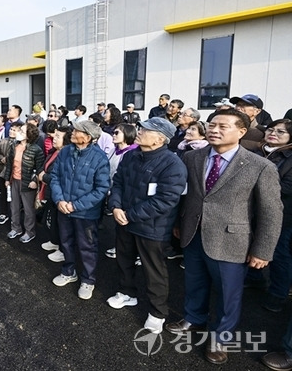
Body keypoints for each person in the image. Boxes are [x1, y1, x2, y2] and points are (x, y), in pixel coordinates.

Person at [166, 109, 282, 365]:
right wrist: (178, 223)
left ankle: (220, 337)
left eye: (222, 126)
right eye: (211, 124)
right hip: (193, 233)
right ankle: (194, 318)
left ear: (242, 132)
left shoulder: (260, 166)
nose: (214, 130)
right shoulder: (192, 157)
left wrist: (263, 250)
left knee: (228, 294)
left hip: (232, 241)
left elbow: (271, 212)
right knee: (195, 282)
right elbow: (185, 195)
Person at [107, 117, 187, 335]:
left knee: (154, 271)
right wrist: (115, 206)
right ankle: (127, 293)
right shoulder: (132, 155)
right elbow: (119, 183)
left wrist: (129, 214)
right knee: (124, 260)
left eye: (146, 130)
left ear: (160, 139)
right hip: (124, 220)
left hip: (152, 227)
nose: (139, 132)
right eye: (141, 128)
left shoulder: (173, 164)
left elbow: (166, 200)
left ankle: (157, 313)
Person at [49, 121, 110, 300]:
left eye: (77, 131)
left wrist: (75, 205)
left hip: (85, 212)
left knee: (87, 247)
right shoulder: (66, 151)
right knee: (66, 242)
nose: (73, 133)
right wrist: (59, 199)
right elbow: (55, 177)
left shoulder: (99, 158)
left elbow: (101, 189)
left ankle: (88, 280)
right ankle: (68, 271)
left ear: (88, 137)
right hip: (64, 208)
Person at [248, 119, 292, 312]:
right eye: (271, 129)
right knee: (253, 245)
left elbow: (287, 188)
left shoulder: (289, 158)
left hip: (282, 214)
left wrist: (255, 183)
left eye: (281, 132)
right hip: (253, 210)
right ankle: (255, 278)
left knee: (279, 253)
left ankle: (278, 293)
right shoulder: (257, 152)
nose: (273, 133)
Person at [5, 123, 44, 243]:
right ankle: (15, 228)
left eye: (22, 131)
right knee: (14, 206)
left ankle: (29, 232)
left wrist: (34, 181)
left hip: (27, 182)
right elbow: (9, 165)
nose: (18, 133)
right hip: (14, 180)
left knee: (28, 210)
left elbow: (40, 168)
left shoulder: (36, 150)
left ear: (29, 135)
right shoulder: (14, 146)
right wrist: (7, 178)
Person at [104, 124, 138, 260]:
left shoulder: (133, 153)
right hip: (114, 190)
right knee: (119, 223)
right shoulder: (114, 150)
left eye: (117, 132)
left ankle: (135, 253)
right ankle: (121, 247)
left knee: (128, 223)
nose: (113, 134)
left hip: (127, 193)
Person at [40, 127, 72, 262]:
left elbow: (60, 177)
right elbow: (44, 166)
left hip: (59, 194)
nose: (54, 139)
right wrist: (42, 173)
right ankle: (54, 241)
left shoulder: (67, 156)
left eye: (58, 137)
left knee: (61, 224)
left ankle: (63, 250)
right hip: (50, 192)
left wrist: (44, 177)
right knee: (52, 220)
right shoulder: (54, 152)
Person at [0, 121, 22, 226]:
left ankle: (16, 216)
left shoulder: (20, 143)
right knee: (3, 194)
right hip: (2, 171)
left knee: (16, 196)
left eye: (15, 130)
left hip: (15, 173)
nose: (11, 131)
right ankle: (4, 212)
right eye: (11, 129)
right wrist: (1, 159)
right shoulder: (3, 141)